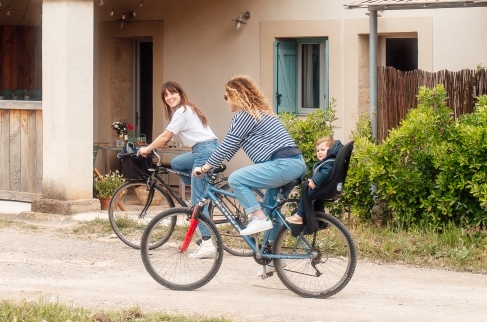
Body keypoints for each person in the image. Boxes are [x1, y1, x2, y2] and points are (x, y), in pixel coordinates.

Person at [194, 76, 306, 241]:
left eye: (226, 96)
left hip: (282, 165)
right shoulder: (260, 113)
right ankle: (270, 258)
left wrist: (205, 167)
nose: (226, 101)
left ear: (236, 95)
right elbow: (233, 145)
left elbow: (227, 144)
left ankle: (258, 219)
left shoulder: (245, 115)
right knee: (271, 211)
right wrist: (217, 163)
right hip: (295, 164)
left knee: (236, 179)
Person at [138, 82, 218, 257]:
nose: (169, 97)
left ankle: (206, 243)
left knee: (197, 203)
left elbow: (166, 135)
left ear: (181, 94)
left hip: (203, 151)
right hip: (204, 149)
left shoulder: (182, 112)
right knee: (177, 163)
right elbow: (168, 134)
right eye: (166, 95)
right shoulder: (185, 110)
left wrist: (147, 148)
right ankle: (200, 191)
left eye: (173, 93)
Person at [285, 136, 340, 227]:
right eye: (318, 151)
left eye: (323, 149)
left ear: (330, 151)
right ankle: (321, 221)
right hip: (325, 187)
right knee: (314, 200)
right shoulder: (327, 162)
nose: (319, 152)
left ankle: (299, 215)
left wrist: (314, 181)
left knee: (307, 196)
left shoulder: (329, 163)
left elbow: (324, 173)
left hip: (323, 187)